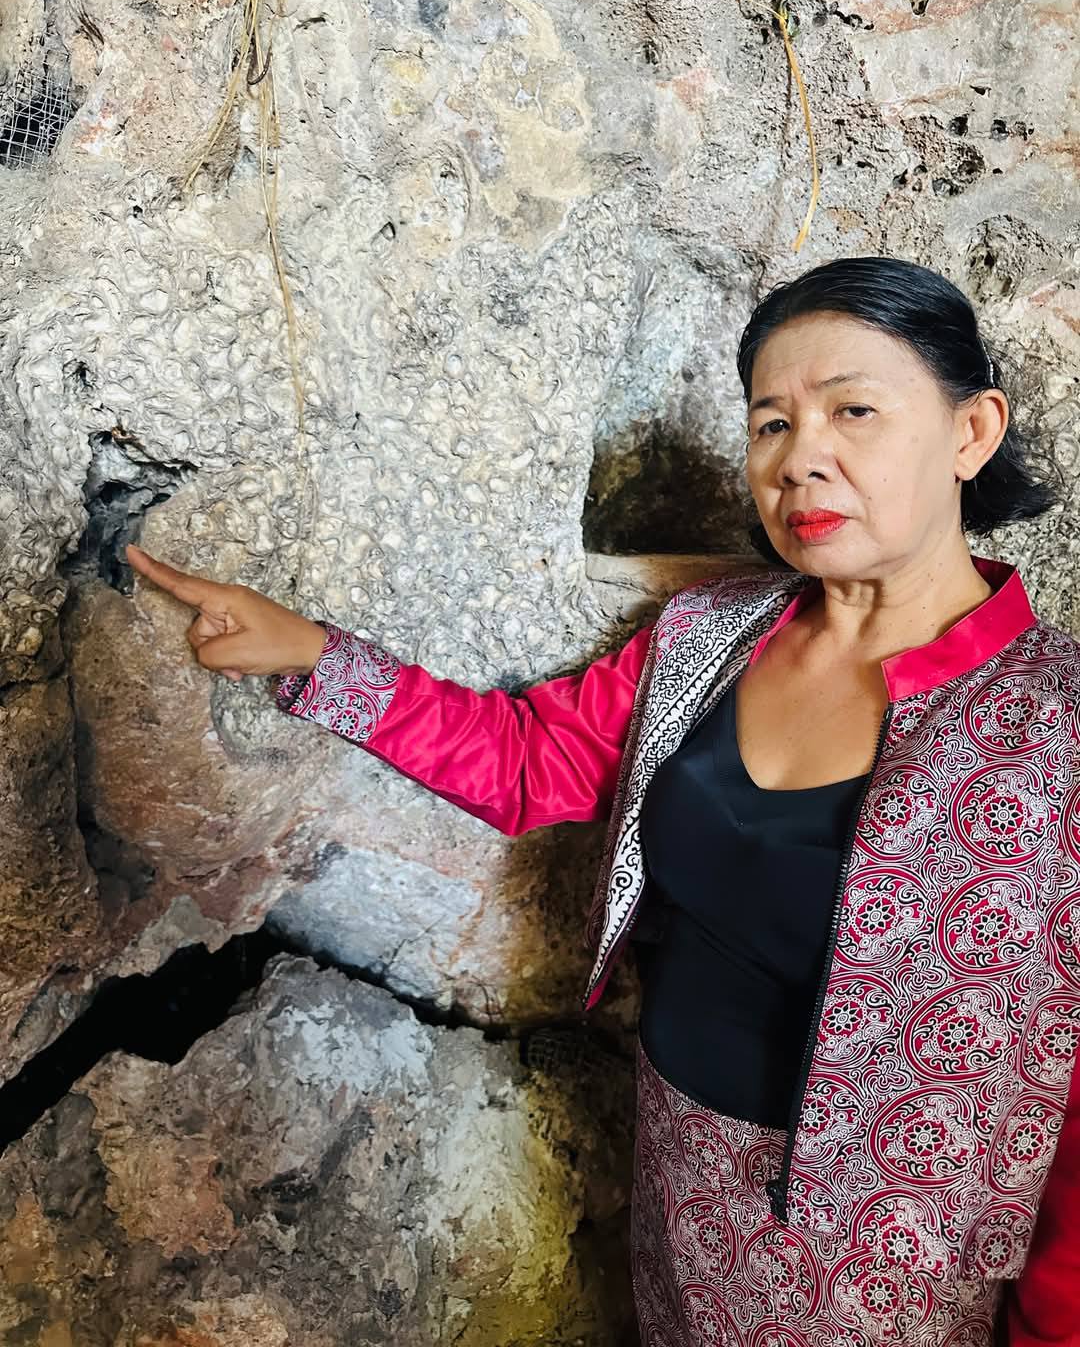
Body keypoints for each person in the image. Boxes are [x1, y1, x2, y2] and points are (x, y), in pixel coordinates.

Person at [126, 256, 1080, 1346]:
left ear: (971, 432)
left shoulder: (1054, 731)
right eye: (770, 424)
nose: (800, 458)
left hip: (887, 1268)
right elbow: (532, 762)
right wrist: (310, 653)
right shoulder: (717, 633)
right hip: (679, 1175)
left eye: (852, 410)